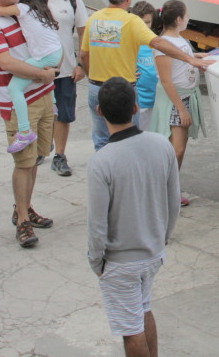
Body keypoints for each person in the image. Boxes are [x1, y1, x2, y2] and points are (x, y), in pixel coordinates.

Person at [87, 77, 180, 357]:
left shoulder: (102, 161)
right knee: (143, 309)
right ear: (136, 108)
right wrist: (162, 238)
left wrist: (96, 261)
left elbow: (97, 223)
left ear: (99, 111)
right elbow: (173, 201)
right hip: (153, 252)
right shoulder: (161, 145)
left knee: (131, 328)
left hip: (120, 261)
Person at [80, 0, 213, 151]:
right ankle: (128, 177)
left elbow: (83, 55)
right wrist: (188, 58)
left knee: (102, 139)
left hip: (96, 88)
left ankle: (105, 175)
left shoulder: (94, 19)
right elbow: (158, 43)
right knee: (129, 141)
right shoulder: (131, 21)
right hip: (123, 90)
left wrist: (92, 78)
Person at [0, 0, 58, 248]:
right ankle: (22, 220)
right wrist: (43, 75)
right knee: (23, 163)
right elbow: (7, 63)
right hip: (19, 104)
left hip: (44, 96)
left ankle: (23, 208)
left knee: (36, 158)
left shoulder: (18, 14)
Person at [0, 0, 63, 153]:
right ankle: (53, 105)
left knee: (14, 88)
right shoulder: (41, 10)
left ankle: (24, 130)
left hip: (46, 55)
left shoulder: (23, 9)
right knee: (44, 72)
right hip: (57, 53)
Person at [149, 0, 209, 206]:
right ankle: (164, 190)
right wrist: (182, 109)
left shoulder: (178, 40)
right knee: (176, 148)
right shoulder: (163, 44)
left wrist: (198, 56)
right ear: (178, 19)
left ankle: (169, 187)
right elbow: (166, 80)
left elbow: (184, 59)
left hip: (184, 96)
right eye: (187, 15)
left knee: (178, 147)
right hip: (176, 99)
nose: (188, 19)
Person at [35, 0, 88, 177]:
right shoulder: (29, 1)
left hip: (65, 70)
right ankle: (41, 147)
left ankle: (60, 155)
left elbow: (83, 33)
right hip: (38, 70)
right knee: (38, 114)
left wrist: (81, 65)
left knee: (64, 115)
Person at [130, 0, 158, 130]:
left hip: (157, 101)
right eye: (141, 22)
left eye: (147, 22)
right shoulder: (129, 43)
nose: (145, 26)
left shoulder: (156, 43)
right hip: (138, 103)